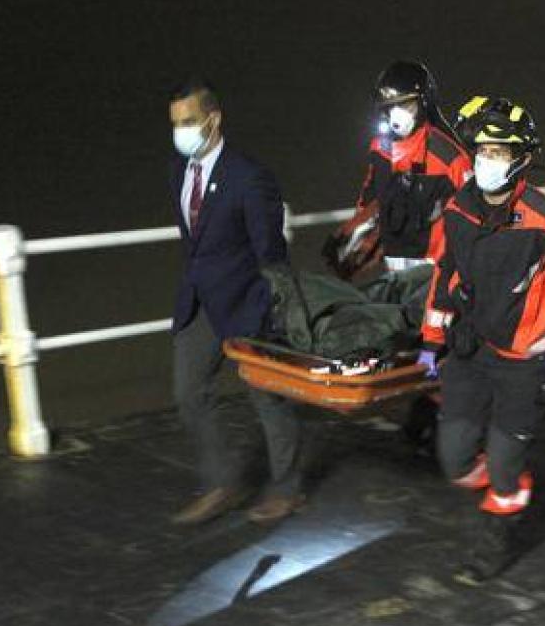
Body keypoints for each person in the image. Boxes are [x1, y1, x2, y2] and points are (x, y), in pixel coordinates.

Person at [418, 96, 545, 583]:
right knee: (454, 458)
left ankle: (496, 533)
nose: (487, 161)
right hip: (470, 352)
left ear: (522, 158)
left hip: (523, 363)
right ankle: (501, 479)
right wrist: (430, 339)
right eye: (482, 151)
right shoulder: (460, 209)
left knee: (504, 469)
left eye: (499, 153)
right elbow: (446, 273)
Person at [168, 78, 305, 526]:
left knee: (268, 399)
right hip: (200, 302)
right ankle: (223, 482)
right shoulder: (178, 172)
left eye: (189, 121)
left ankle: (287, 488)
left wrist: (272, 307)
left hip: (248, 302)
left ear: (214, 119)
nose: (182, 131)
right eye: (176, 123)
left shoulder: (250, 177)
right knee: (189, 393)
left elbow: (270, 251)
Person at [324, 61, 472, 277]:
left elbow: (476, 221)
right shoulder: (380, 148)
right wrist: (356, 233)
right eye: (389, 107)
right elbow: (371, 195)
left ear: (424, 103)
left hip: (435, 274)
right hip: (394, 272)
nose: (396, 115)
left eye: (405, 105)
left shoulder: (451, 159)